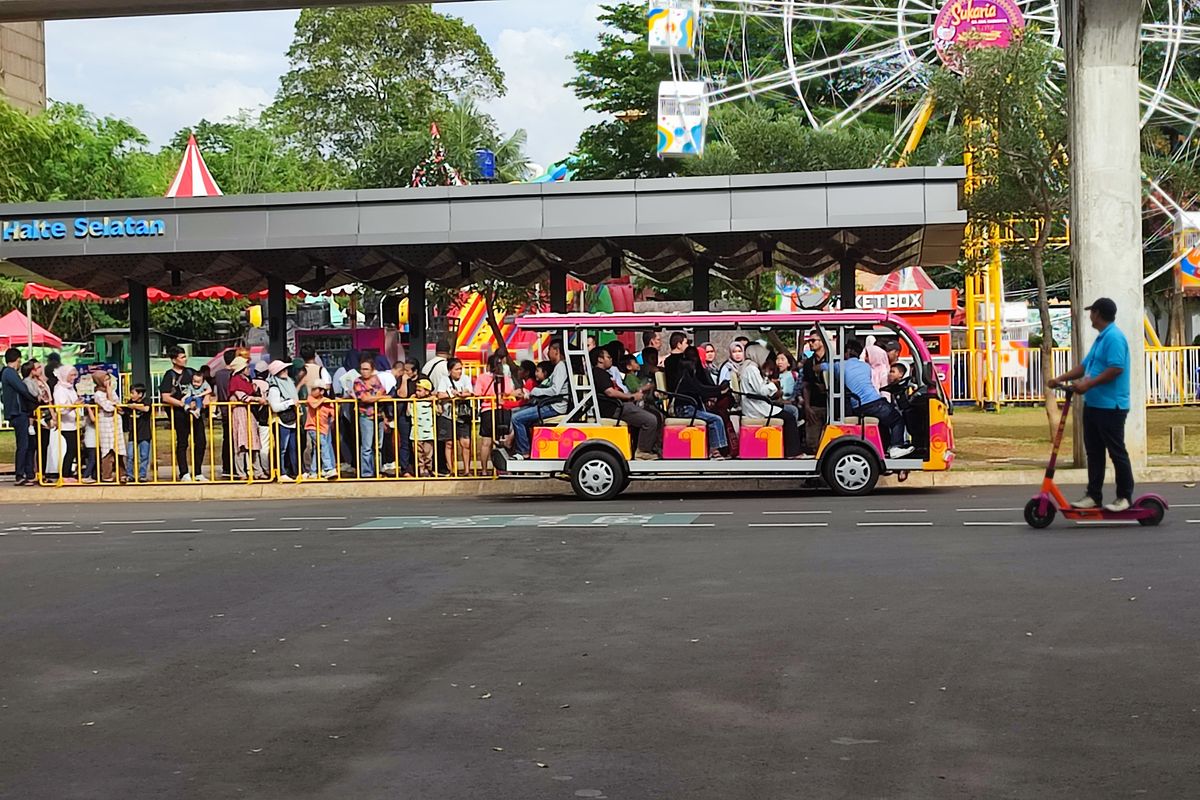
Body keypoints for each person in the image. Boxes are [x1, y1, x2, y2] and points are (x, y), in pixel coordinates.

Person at [1048, 297, 1134, 511]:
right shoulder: (1101, 339)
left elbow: (1116, 369)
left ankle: (1124, 497)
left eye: (1091, 313)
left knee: (1116, 452)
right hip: (1094, 405)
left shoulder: (1114, 337)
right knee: (1094, 452)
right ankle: (1093, 495)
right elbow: (1084, 367)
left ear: (1097, 313)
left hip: (1111, 406)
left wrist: (1089, 385)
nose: (1089, 317)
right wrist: (1060, 379)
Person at [824, 339, 913, 458]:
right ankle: (896, 446)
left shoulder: (839, 365)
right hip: (871, 402)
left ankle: (886, 447)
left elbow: (822, 367)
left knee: (885, 419)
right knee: (897, 419)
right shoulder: (866, 367)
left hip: (858, 404)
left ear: (848, 351)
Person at [591, 347, 660, 460]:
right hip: (615, 408)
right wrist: (632, 396)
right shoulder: (598, 373)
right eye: (608, 357)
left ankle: (650, 447)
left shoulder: (604, 373)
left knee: (656, 415)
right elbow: (610, 392)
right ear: (600, 359)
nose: (611, 359)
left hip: (621, 406)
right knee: (650, 420)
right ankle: (642, 451)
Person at [739, 344, 803, 458]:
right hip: (757, 408)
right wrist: (773, 385)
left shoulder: (748, 367)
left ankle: (787, 448)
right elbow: (762, 390)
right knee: (790, 418)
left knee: (788, 412)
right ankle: (793, 453)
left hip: (756, 405)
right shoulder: (751, 369)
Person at [508, 340, 569, 459]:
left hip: (554, 406)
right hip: (549, 403)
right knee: (518, 413)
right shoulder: (558, 367)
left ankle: (523, 451)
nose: (548, 352)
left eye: (550, 349)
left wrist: (536, 391)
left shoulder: (561, 367)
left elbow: (555, 390)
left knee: (517, 418)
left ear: (556, 351)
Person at [160, 346, 206, 482]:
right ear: (174, 360)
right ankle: (184, 472)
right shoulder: (169, 375)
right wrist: (183, 404)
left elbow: (205, 387)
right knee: (182, 442)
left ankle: (198, 472)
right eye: (181, 357)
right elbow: (165, 397)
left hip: (195, 413)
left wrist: (204, 401)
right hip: (179, 414)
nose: (185, 359)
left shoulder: (191, 372)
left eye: (185, 356)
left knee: (201, 441)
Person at [674, 348, 730, 459]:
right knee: (716, 419)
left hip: (691, 407)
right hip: (685, 409)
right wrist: (719, 390)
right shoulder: (686, 379)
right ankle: (714, 450)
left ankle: (717, 448)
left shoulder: (688, 376)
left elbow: (702, 388)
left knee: (715, 416)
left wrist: (718, 390)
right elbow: (701, 389)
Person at [2, 347, 39, 486]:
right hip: (17, 412)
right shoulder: (9, 373)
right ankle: (20, 474)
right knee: (23, 444)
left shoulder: (9, 374)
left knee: (29, 444)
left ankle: (29, 473)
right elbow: (22, 389)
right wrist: (34, 399)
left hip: (20, 412)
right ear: (17, 360)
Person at [475, 353, 514, 474]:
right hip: (502, 411)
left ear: (488, 365)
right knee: (502, 441)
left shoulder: (481, 377)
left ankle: (484, 470)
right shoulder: (505, 378)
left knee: (486, 442)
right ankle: (502, 469)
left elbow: (477, 393)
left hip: (487, 411)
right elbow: (508, 391)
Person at [226, 357, 265, 481]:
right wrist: (257, 399)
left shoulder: (247, 381)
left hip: (249, 413)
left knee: (253, 442)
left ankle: (257, 471)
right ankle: (241, 472)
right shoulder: (235, 380)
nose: (249, 369)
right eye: (247, 367)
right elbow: (242, 397)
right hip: (240, 413)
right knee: (241, 443)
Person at [436, 357, 476, 475]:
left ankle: (467, 470)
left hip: (462, 415)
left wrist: (461, 394)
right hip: (448, 415)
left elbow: (469, 392)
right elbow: (440, 394)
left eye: (460, 369)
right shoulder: (444, 380)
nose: (459, 371)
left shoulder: (465, 378)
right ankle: (452, 470)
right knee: (449, 443)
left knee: (465, 443)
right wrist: (451, 394)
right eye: (457, 369)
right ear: (450, 370)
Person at [352, 356, 388, 478]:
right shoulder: (357, 381)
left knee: (378, 445)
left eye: (366, 369)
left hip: (379, 415)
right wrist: (379, 397)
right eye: (362, 369)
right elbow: (364, 398)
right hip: (366, 416)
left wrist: (377, 396)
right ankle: (367, 473)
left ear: (372, 370)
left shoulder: (376, 379)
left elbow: (383, 391)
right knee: (366, 446)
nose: (364, 371)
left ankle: (378, 471)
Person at [266, 360, 301, 481]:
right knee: (282, 448)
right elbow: (275, 406)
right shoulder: (274, 388)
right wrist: (290, 402)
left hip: (292, 420)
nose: (286, 371)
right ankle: (281, 472)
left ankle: (295, 472)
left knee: (293, 447)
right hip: (281, 421)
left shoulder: (289, 383)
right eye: (283, 370)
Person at [91, 370, 124, 483]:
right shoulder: (98, 394)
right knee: (107, 450)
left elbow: (118, 404)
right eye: (105, 380)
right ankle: (107, 475)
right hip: (105, 423)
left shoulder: (112, 391)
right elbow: (109, 407)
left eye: (108, 379)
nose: (108, 382)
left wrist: (111, 396)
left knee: (119, 449)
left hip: (116, 422)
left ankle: (122, 474)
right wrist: (110, 396)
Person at [51, 365, 81, 483]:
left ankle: (69, 473)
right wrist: (74, 406)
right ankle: (64, 474)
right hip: (66, 424)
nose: (74, 377)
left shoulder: (70, 388)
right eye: (71, 375)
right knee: (71, 448)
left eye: (75, 375)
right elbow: (61, 409)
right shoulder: (59, 389)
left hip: (74, 423)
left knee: (74, 449)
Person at [303, 379, 338, 479]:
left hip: (324, 428)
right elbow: (314, 405)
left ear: (322, 391)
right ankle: (328, 468)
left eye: (315, 389)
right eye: (312, 389)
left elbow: (333, 413)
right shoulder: (310, 398)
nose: (313, 391)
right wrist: (323, 400)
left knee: (318, 449)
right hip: (313, 427)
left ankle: (313, 471)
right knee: (324, 446)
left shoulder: (326, 401)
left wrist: (332, 404)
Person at [800, 330, 828, 454]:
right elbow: (806, 386)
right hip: (814, 405)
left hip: (831, 404)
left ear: (822, 341)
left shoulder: (832, 359)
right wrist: (807, 406)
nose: (810, 343)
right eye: (808, 341)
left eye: (813, 340)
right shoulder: (808, 363)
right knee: (812, 441)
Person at [24, 359, 52, 481]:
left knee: (44, 445)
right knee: (34, 445)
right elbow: (34, 395)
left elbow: (48, 399)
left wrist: (53, 415)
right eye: (38, 367)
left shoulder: (42, 381)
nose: (41, 369)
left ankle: (43, 472)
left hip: (45, 415)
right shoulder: (27, 382)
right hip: (35, 416)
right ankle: (33, 472)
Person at [124, 383, 154, 483]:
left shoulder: (146, 401)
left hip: (144, 434)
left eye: (133, 393)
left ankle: (142, 475)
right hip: (133, 434)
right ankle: (130, 475)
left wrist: (134, 407)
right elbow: (123, 411)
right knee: (130, 456)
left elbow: (146, 409)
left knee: (144, 456)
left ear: (140, 394)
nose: (131, 395)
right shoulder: (129, 403)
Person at [213, 349, 235, 479]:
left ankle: (226, 466)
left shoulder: (218, 374)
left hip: (224, 410)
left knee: (226, 438)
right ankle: (235, 467)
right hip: (234, 410)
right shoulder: (233, 374)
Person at [412, 378, 438, 475]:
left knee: (428, 452)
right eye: (416, 390)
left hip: (428, 432)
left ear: (427, 392)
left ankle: (428, 468)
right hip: (416, 432)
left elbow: (439, 411)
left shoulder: (431, 402)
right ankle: (421, 469)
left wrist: (434, 402)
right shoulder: (414, 401)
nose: (417, 392)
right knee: (418, 452)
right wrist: (410, 401)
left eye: (420, 390)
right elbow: (408, 413)